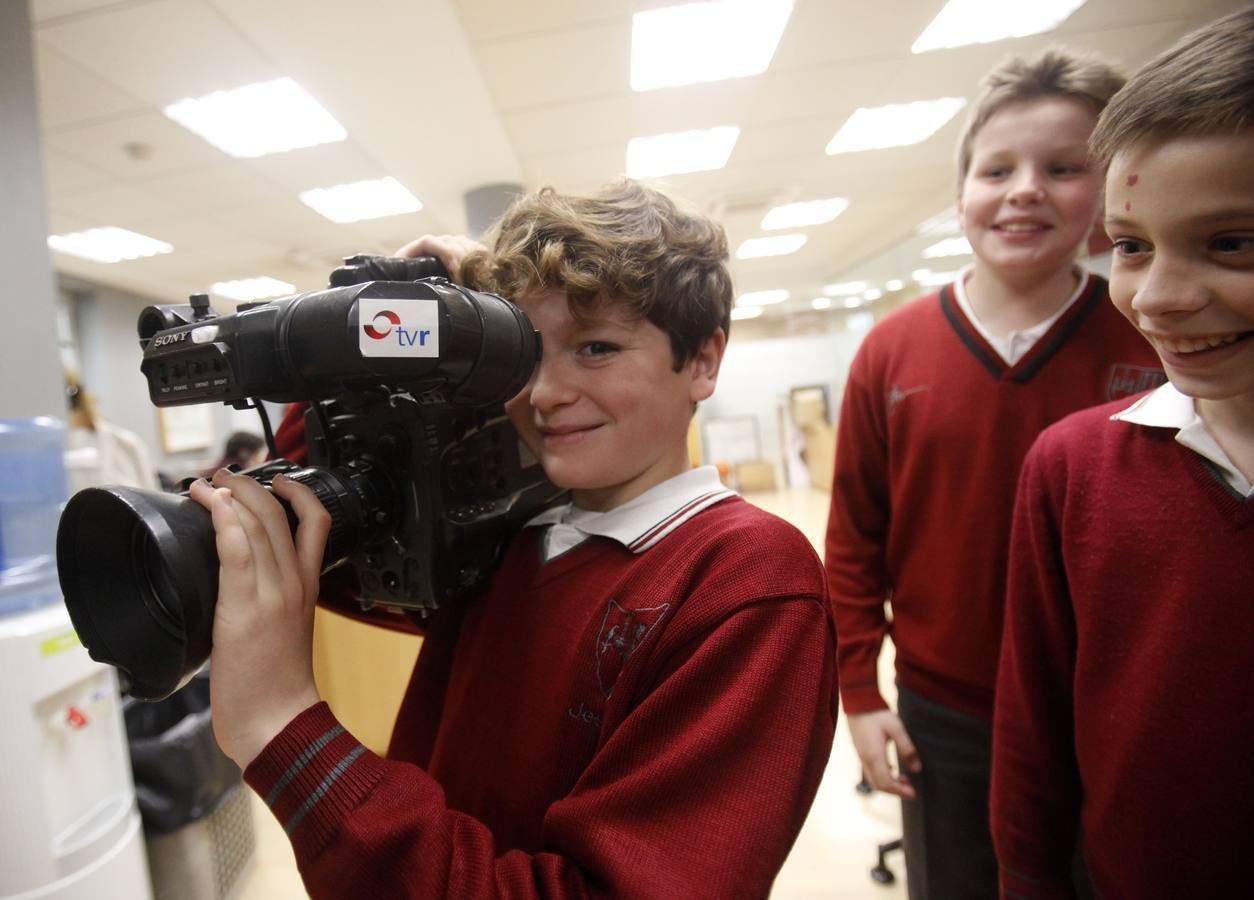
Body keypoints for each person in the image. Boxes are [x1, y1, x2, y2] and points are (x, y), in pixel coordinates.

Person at [188, 180, 838, 898]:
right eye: (524, 356)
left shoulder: (746, 579)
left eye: (596, 347)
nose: (546, 393)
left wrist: (283, 727)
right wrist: (373, 334)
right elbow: (334, 515)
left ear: (704, 360)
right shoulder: (513, 533)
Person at [823, 48, 1164, 899]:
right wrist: (859, 692)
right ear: (961, 192)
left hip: (1114, 710)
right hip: (946, 715)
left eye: (1063, 168)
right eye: (998, 169)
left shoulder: (1154, 341)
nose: (1025, 190)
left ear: (1110, 196)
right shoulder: (890, 352)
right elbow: (855, 537)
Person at [991, 9, 1254, 897]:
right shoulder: (1074, 469)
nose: (1158, 297)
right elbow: (1034, 736)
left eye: (1232, 242)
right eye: (1133, 247)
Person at [201, 430, 266, 477]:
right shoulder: (242, 474)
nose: (259, 458)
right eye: (257, 453)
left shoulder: (215, 470)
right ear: (244, 453)